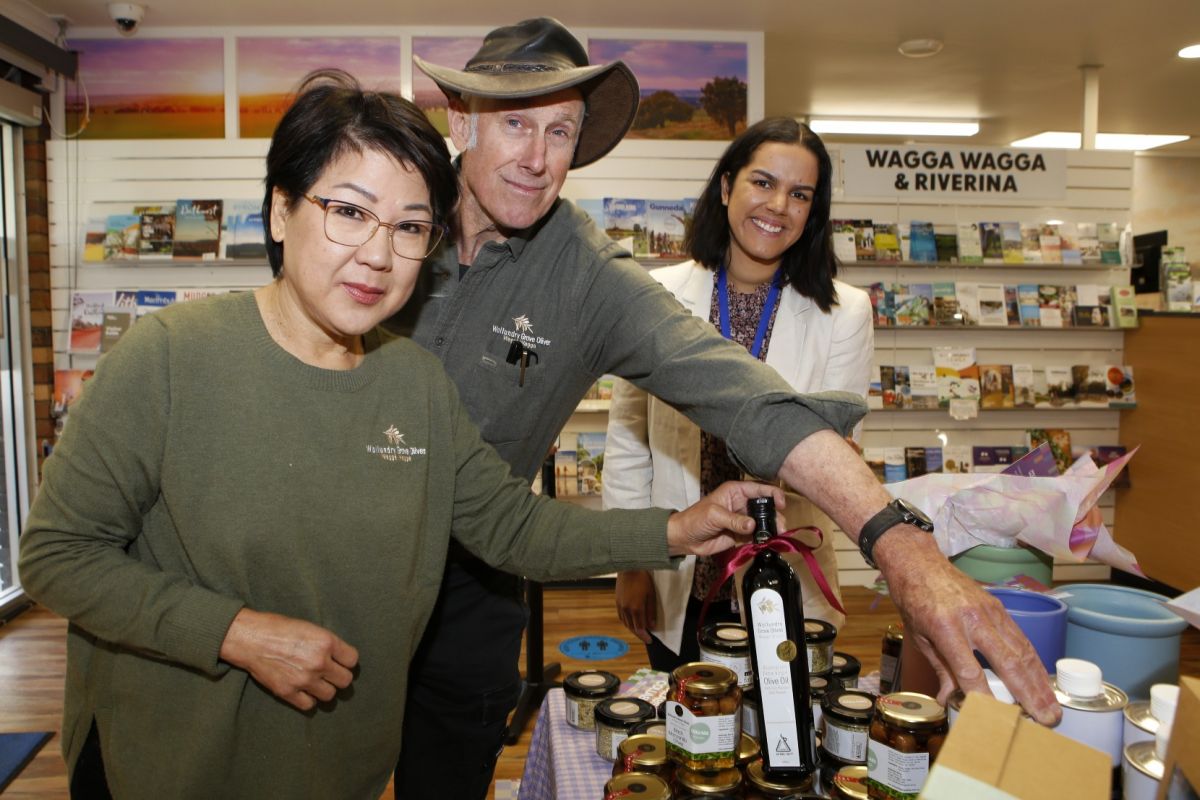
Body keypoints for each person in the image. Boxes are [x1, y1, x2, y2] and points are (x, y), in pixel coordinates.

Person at [16, 70, 785, 800]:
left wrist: (680, 529)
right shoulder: (171, 358)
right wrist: (235, 633)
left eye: (411, 227)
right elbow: (58, 555)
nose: (378, 254)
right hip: (171, 761)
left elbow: (511, 527)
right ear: (282, 210)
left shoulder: (412, 384)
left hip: (335, 766)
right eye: (348, 212)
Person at [394, 17, 1059, 799]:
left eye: (562, 130)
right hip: (333, 567)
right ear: (461, 120)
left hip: (478, 585)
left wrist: (898, 544)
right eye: (515, 123)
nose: (540, 160)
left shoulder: (584, 272)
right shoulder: (382, 214)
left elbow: (741, 394)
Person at [604, 118, 874, 671]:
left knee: (781, 732)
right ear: (727, 187)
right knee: (687, 722)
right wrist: (633, 559)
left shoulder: (844, 313)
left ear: (812, 212)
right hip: (679, 569)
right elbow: (629, 436)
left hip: (784, 569)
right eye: (763, 183)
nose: (778, 205)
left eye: (800, 194)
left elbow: (836, 456)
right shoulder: (658, 295)